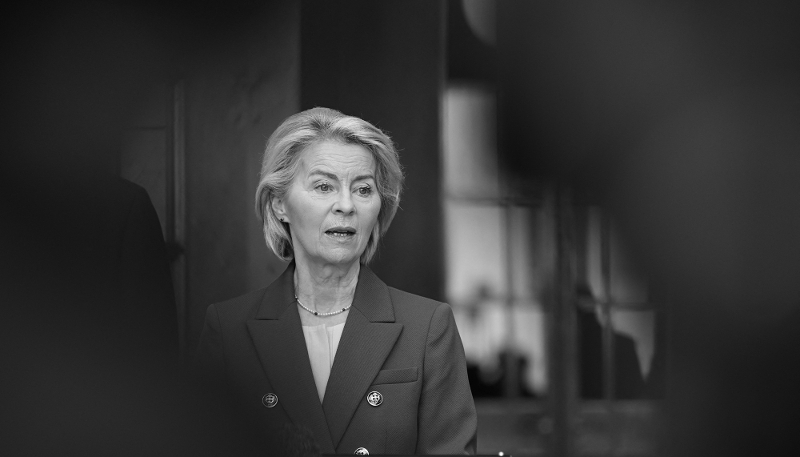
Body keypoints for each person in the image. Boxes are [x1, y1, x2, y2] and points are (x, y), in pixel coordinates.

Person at [196, 107, 477, 455]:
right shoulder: (228, 330)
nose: (346, 205)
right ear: (279, 203)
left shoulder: (428, 328)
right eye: (324, 186)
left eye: (363, 189)